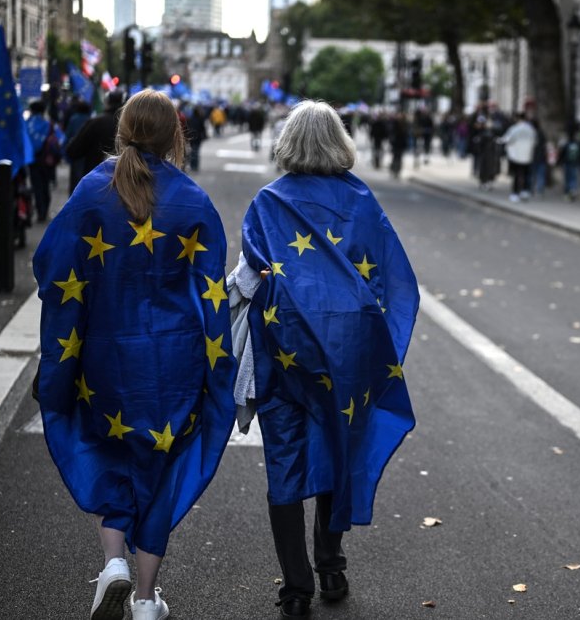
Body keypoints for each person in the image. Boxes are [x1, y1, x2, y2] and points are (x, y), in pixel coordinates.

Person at [33, 90, 236, 620]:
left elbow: (50, 264)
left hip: (105, 355)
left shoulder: (92, 191)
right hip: (174, 359)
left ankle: (113, 564)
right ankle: (146, 599)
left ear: (122, 131)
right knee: (159, 470)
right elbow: (211, 287)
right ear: (176, 136)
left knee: (109, 452)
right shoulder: (192, 200)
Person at [229, 101, 418, 619]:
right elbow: (387, 278)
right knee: (339, 444)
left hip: (283, 348)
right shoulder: (360, 201)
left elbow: (249, 276)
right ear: (341, 142)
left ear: (287, 142)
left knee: (285, 456)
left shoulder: (269, 202)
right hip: (349, 351)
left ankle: (295, 588)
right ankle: (331, 563)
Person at [65, 91, 124, 191]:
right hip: (125, 186)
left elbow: (73, 150)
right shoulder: (131, 125)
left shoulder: (95, 122)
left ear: (107, 102)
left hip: (95, 183)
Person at [26, 100, 63, 222]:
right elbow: (61, 139)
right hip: (47, 160)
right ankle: (45, 209)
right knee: (45, 185)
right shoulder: (49, 124)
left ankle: (40, 211)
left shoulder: (27, 124)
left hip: (33, 160)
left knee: (36, 186)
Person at [499, 112, 536, 202]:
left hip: (516, 156)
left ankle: (515, 193)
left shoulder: (514, 129)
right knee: (526, 174)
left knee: (516, 175)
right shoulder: (531, 129)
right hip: (527, 156)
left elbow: (507, 139)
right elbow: (535, 141)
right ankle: (524, 191)